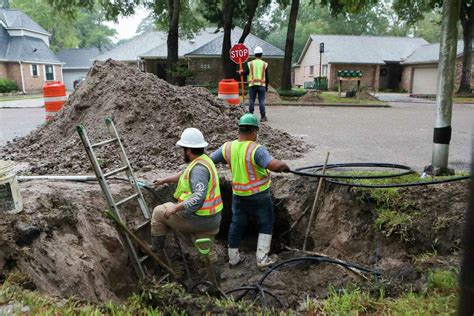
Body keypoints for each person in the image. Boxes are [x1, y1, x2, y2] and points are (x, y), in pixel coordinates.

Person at [210, 113, 290, 268]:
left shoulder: (228, 147)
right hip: (259, 195)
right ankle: (262, 259)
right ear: (254, 132)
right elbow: (273, 165)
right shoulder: (256, 149)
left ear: (239, 131)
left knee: (236, 224)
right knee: (266, 222)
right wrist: (284, 166)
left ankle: (233, 258)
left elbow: (210, 160)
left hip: (239, 195)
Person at [151, 127, 223, 275]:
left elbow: (198, 197)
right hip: (212, 219)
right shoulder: (204, 161)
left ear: (188, 150)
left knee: (158, 213)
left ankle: (157, 255)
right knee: (208, 252)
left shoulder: (198, 170)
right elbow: (185, 174)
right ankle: (215, 288)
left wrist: (176, 208)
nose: (181, 152)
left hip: (197, 219)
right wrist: (165, 180)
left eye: (183, 149)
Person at [240, 46, 269, 122]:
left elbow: (246, 73)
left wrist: (241, 72)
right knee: (261, 101)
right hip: (261, 85)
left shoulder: (250, 64)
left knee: (251, 100)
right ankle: (263, 116)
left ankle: (250, 115)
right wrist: (266, 86)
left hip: (252, 85)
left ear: (255, 54)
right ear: (261, 54)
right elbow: (266, 76)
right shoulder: (264, 64)